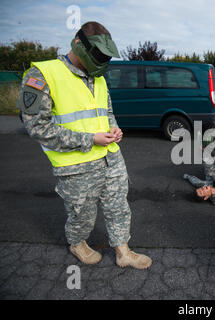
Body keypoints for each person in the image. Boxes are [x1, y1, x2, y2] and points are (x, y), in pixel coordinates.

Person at [17, 21, 151, 269]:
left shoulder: (97, 77)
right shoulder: (43, 75)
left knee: (118, 206)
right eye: (98, 55)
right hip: (76, 165)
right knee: (82, 214)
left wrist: (114, 128)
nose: (102, 62)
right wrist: (89, 140)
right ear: (78, 43)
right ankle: (77, 243)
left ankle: (123, 252)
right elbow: (38, 128)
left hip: (110, 157)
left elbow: (107, 111)